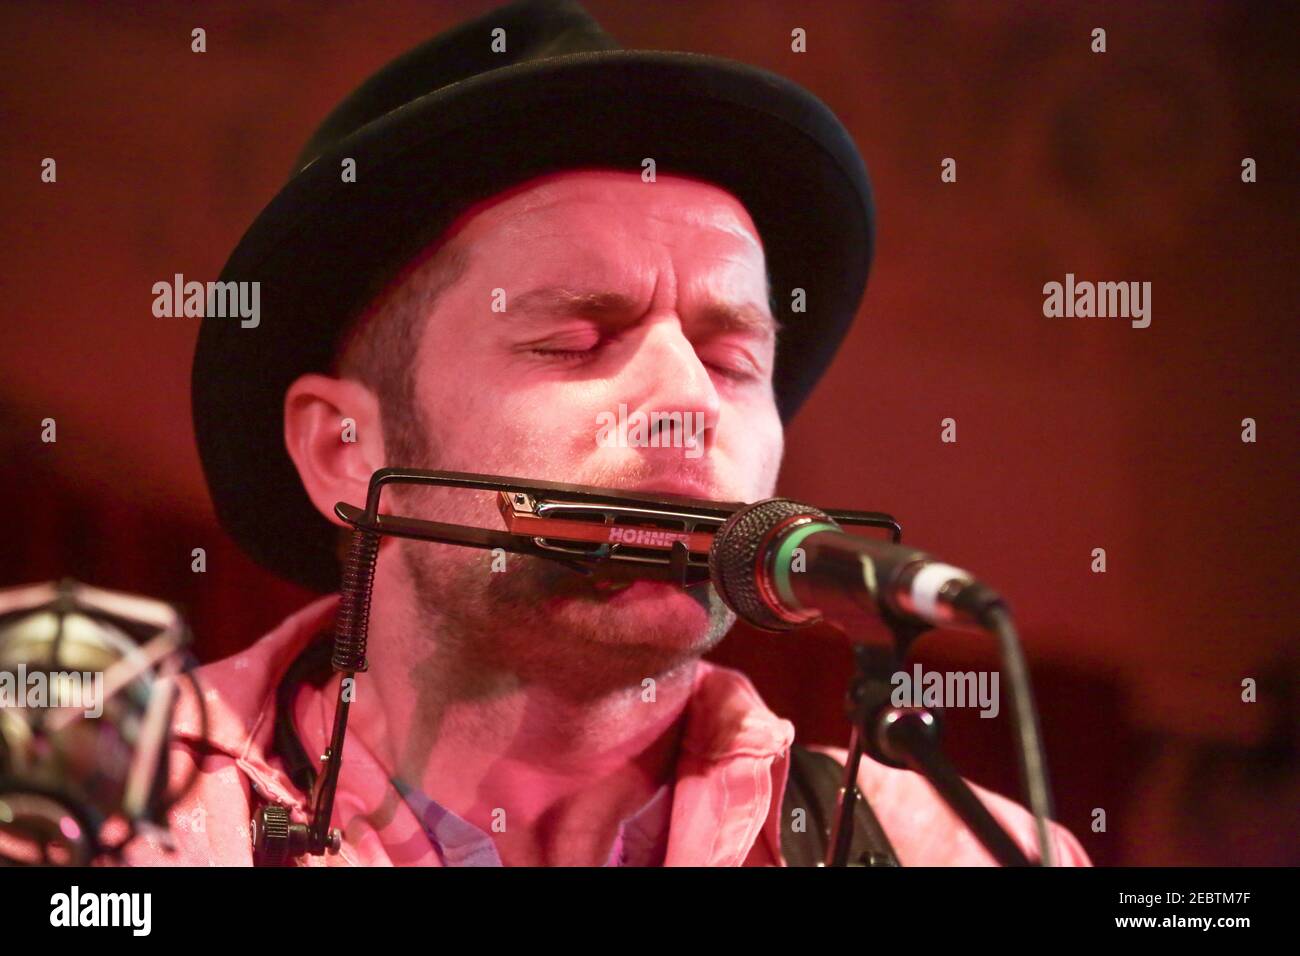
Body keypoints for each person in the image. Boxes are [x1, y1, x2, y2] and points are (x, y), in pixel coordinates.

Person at [121, 0, 1089, 866]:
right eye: (574, 339)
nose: (686, 401)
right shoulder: (93, 820)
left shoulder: (962, 851)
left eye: (732, 362)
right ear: (345, 447)